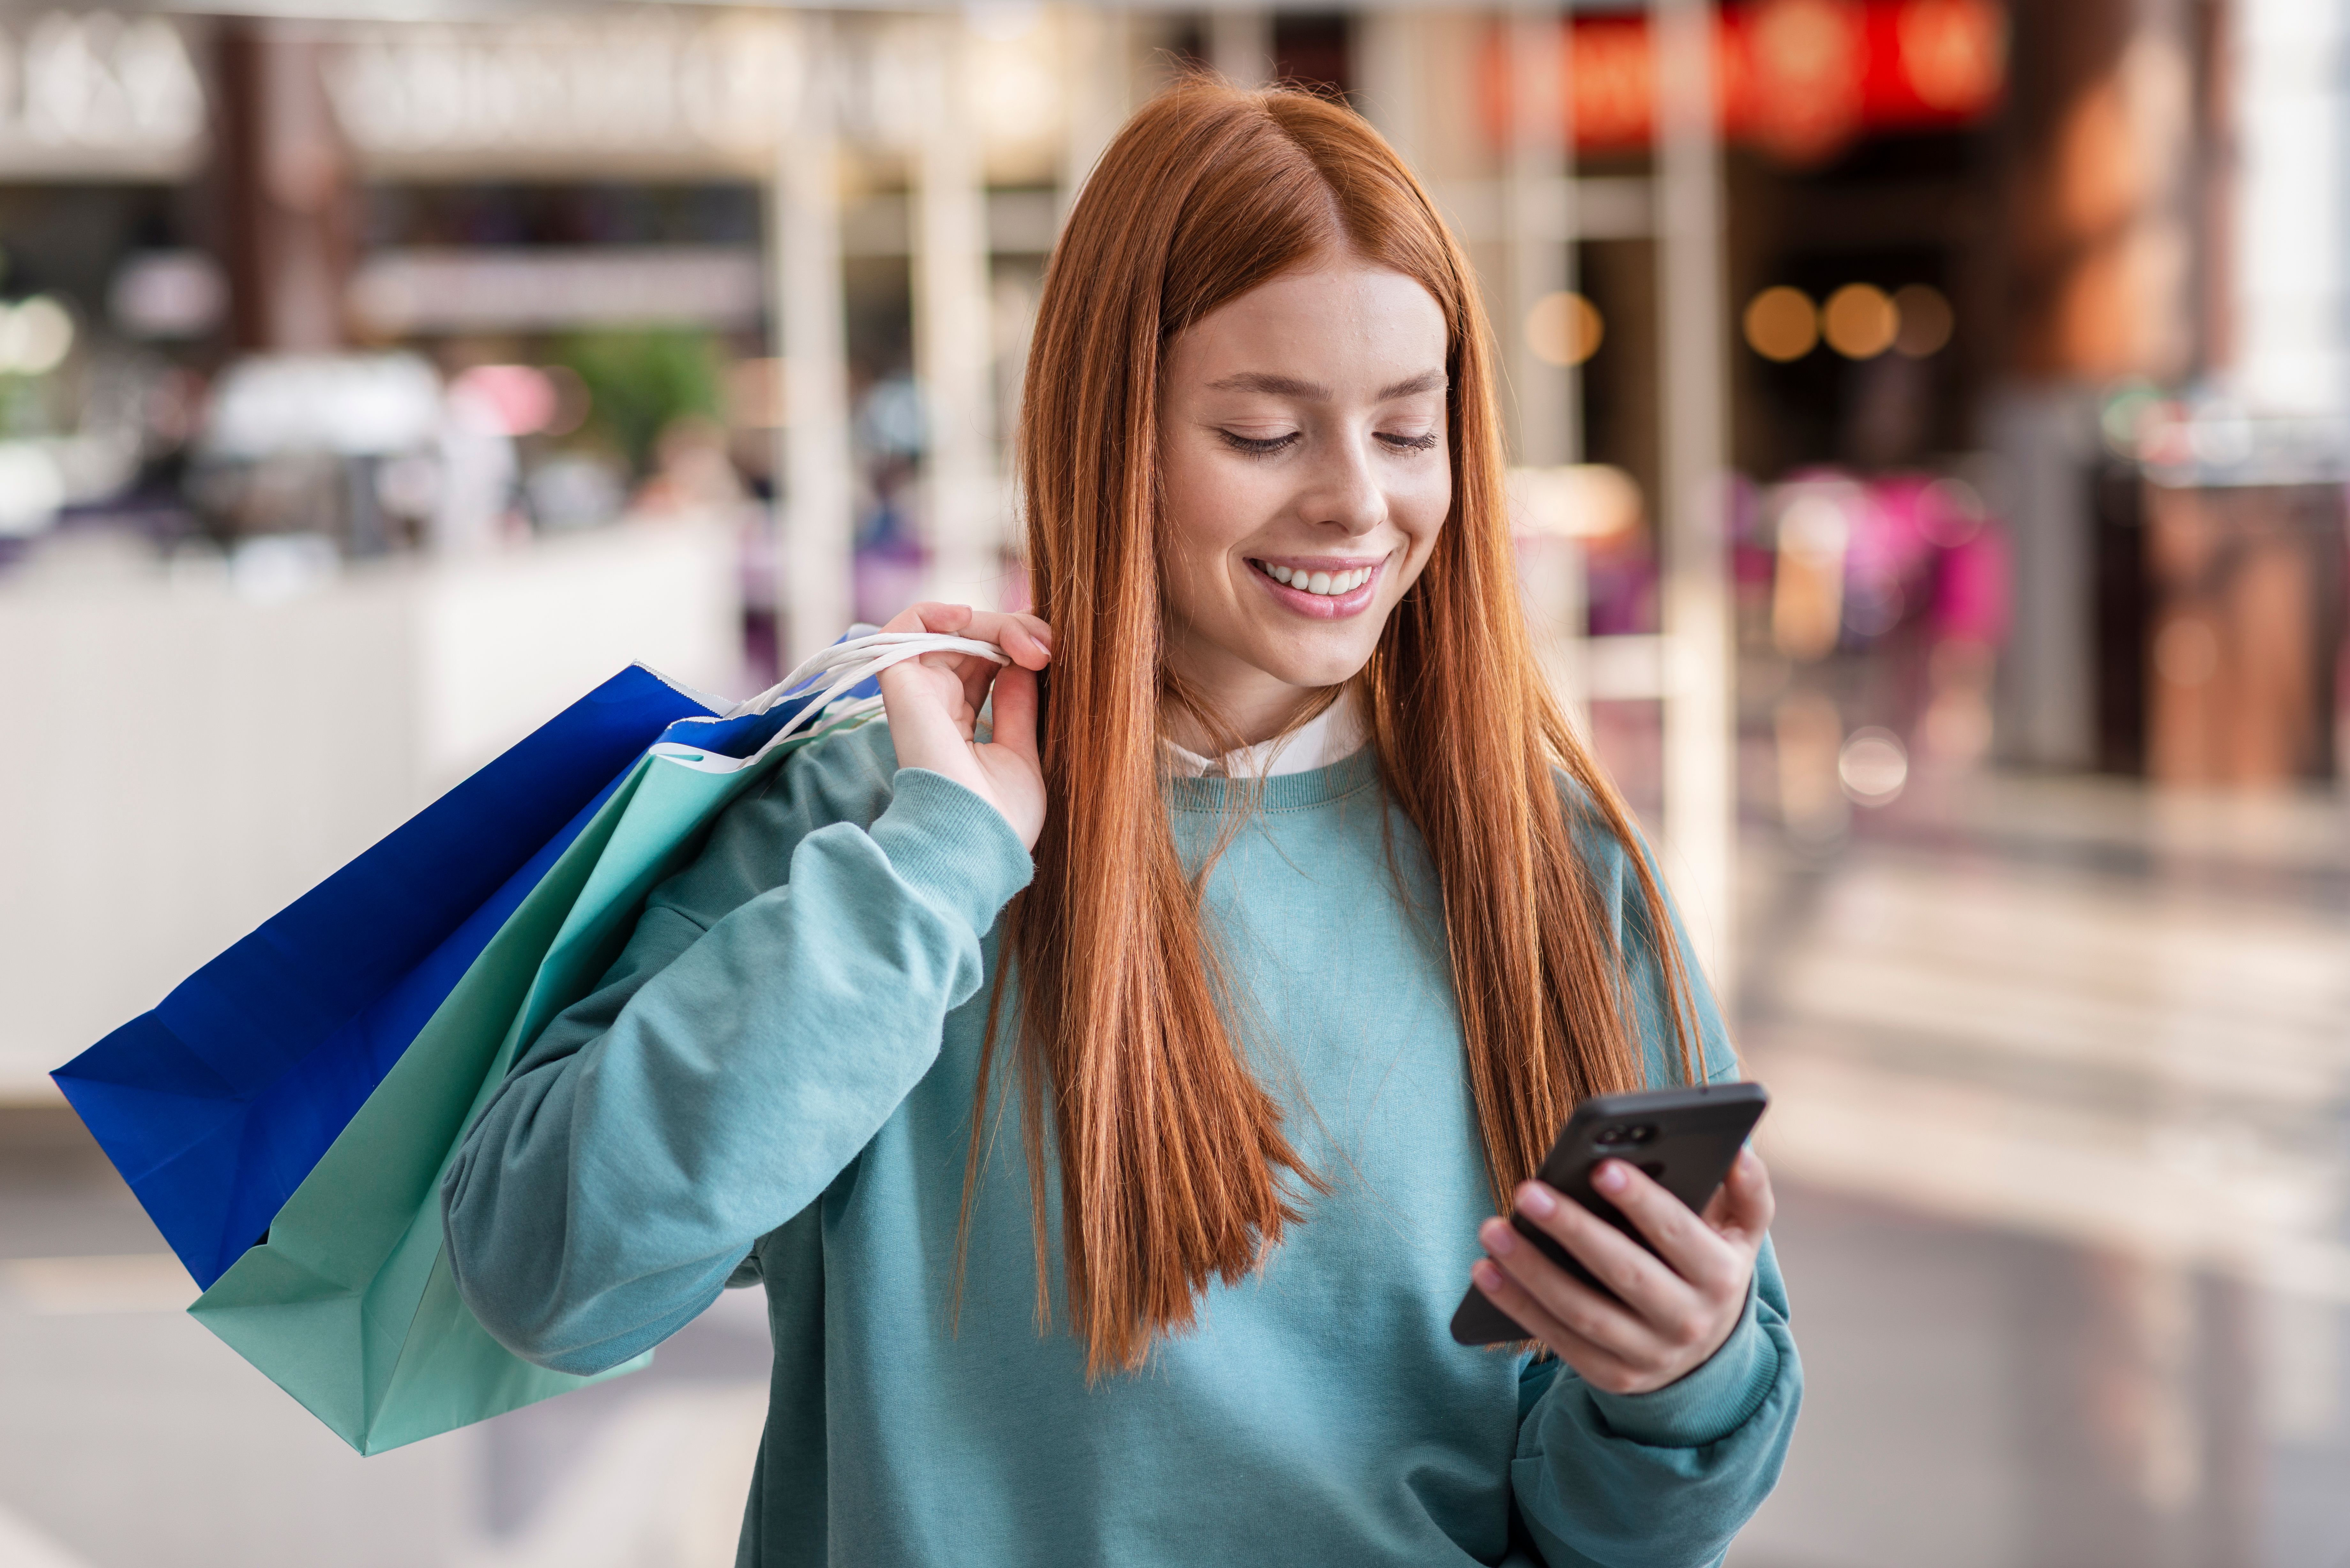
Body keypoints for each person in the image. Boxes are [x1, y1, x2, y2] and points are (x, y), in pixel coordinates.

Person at [443, 79, 1799, 1567]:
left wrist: (1683, 1377)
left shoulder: (1551, 868)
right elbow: (550, 1274)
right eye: (1267, 433)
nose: (1358, 503)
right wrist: (931, 876)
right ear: (1112, 434)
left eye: (1408, 434)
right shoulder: (879, 822)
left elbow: (1616, 1529)